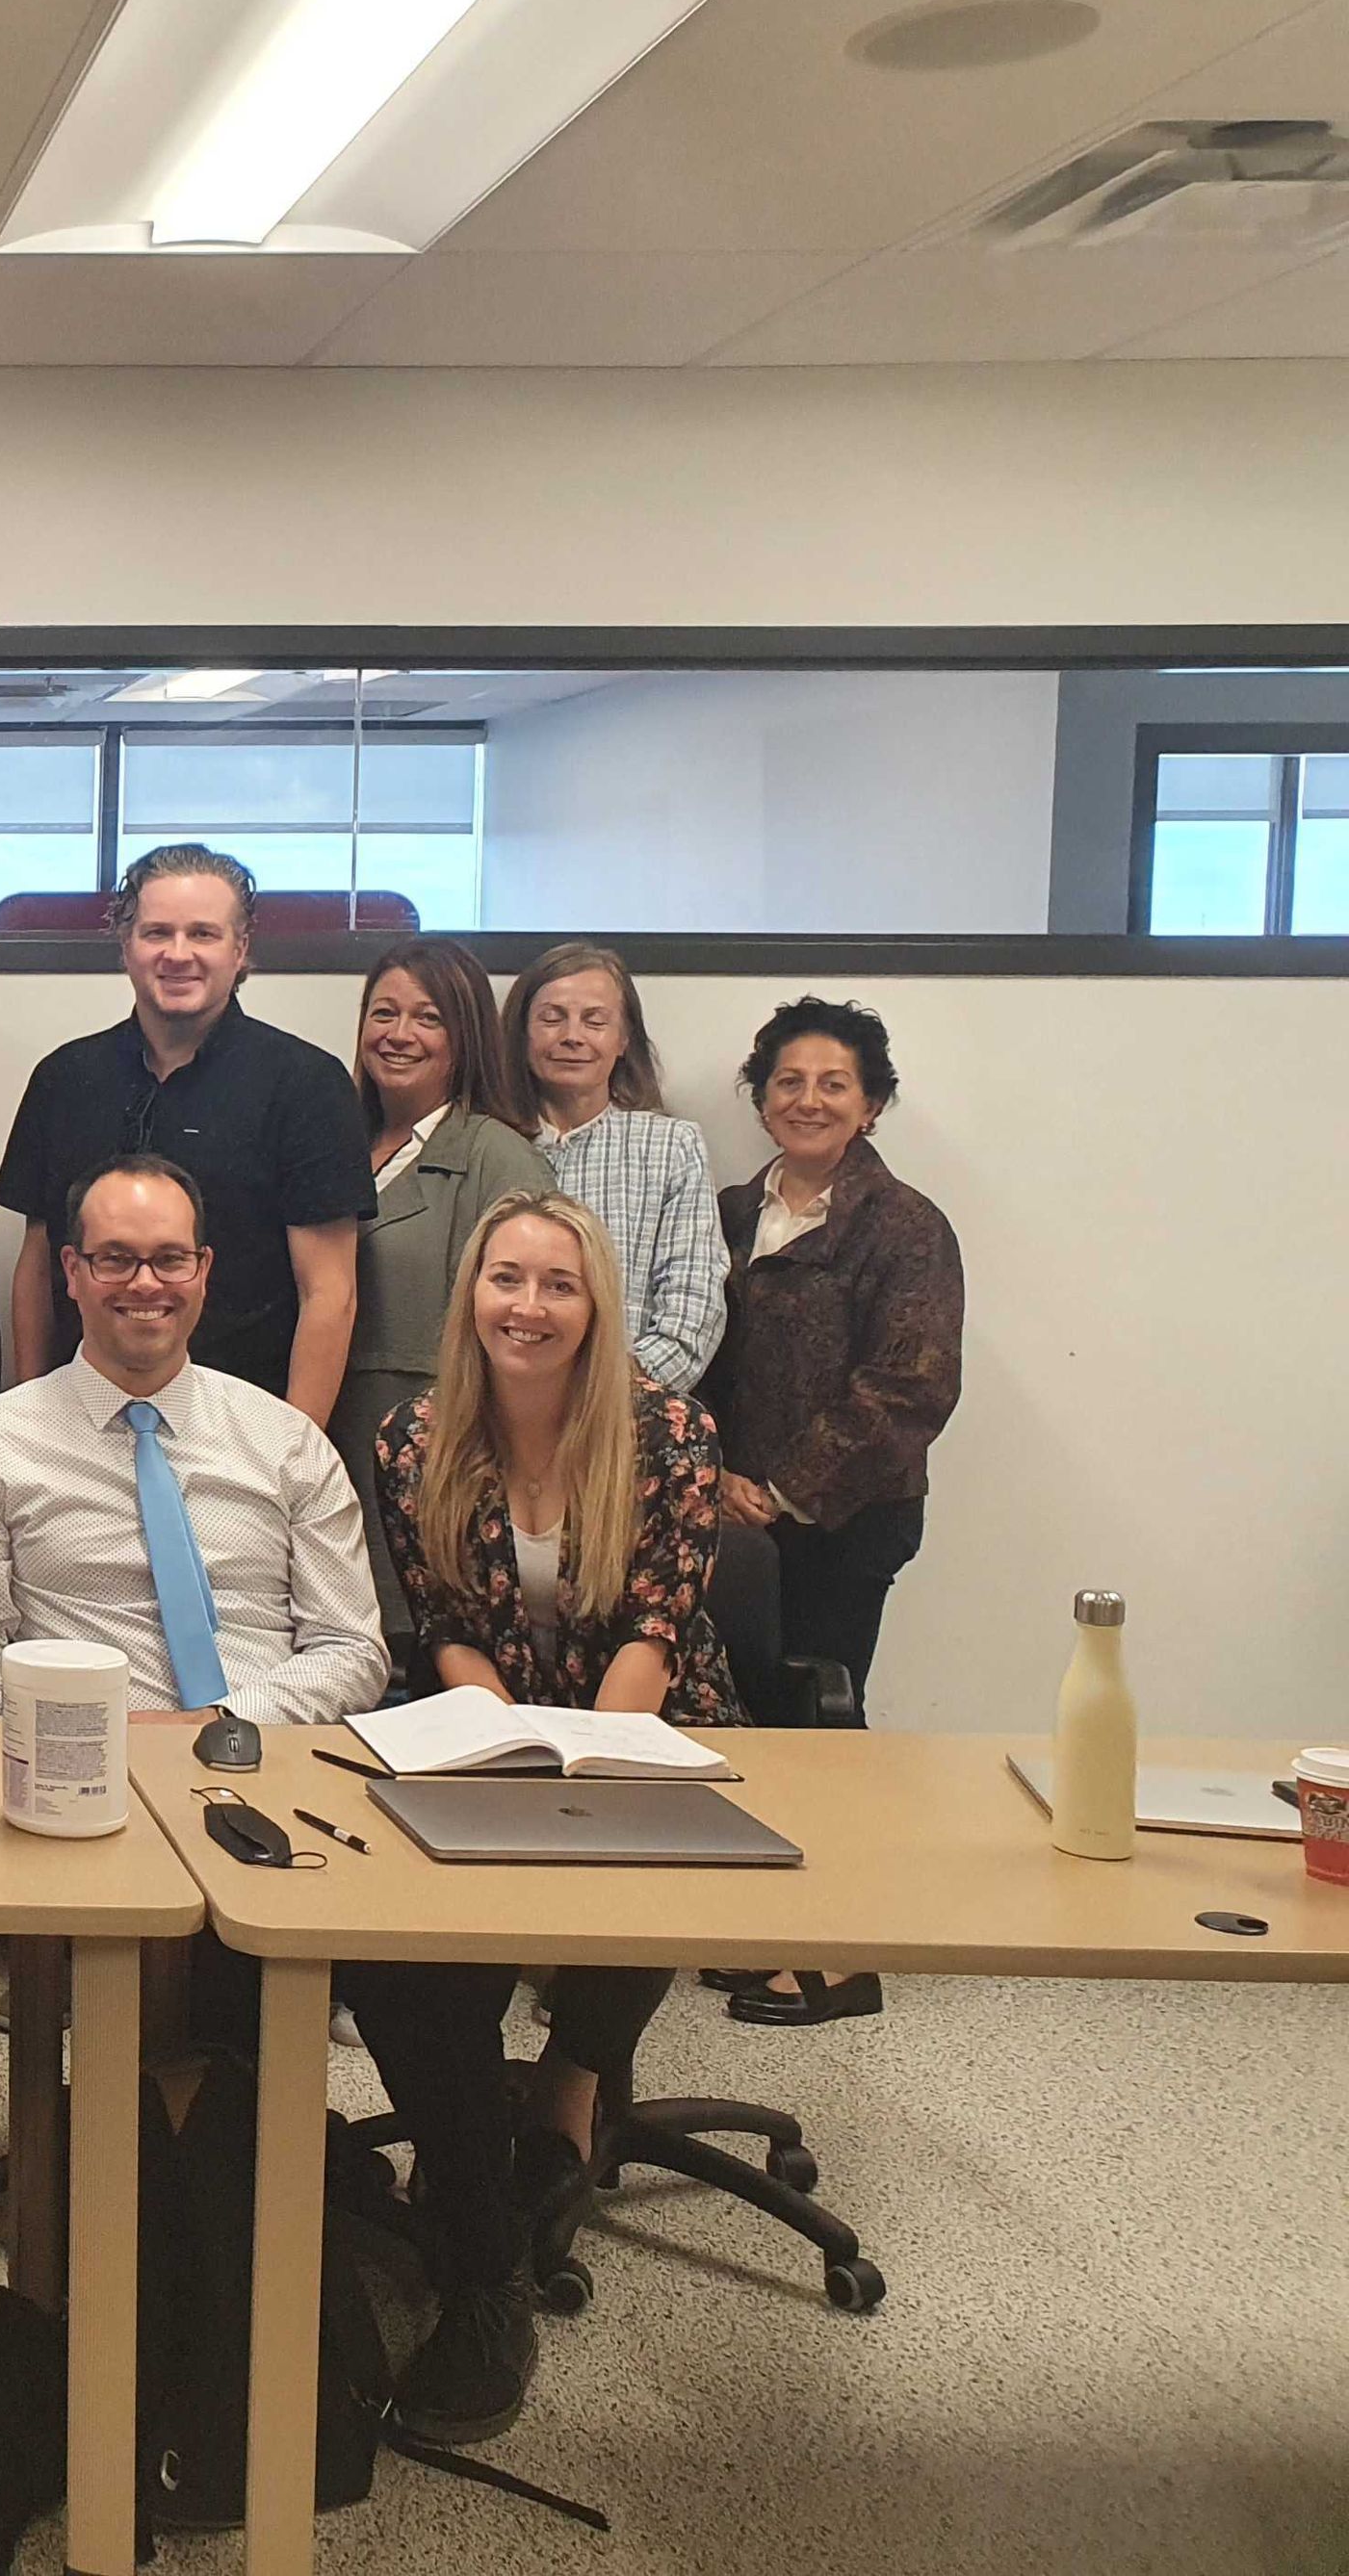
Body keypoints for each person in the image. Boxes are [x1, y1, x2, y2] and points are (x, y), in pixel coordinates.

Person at [352, 1189, 739, 2441]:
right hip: (485, 1722)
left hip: (651, 1721)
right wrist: (513, 1749)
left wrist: (592, 1768)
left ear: (595, 1304)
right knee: (397, 1953)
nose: (529, 1306)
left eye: (557, 1284)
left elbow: (653, 1630)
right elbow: (449, 1627)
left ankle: (572, 2079)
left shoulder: (672, 1432)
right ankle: (486, 2256)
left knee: (637, 1876)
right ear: (472, 1295)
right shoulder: (414, 1437)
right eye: (506, 1279)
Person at [703, 997, 964, 2029]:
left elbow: (909, 1389)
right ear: (762, 1100)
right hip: (723, 1521)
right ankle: (765, 1931)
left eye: (835, 1083)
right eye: (789, 1082)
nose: (808, 1100)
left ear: (873, 1105)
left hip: (843, 1523)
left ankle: (837, 1958)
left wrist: (782, 1490)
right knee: (747, 1725)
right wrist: (713, 1479)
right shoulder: (727, 1210)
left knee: (821, 1723)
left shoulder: (903, 1227)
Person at [0, 1153, 388, 1728]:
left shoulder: (287, 1442)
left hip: (266, 1754)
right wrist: (98, 1727)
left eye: (171, 1259)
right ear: (71, 1271)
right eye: (115, 1259)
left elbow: (351, 1648)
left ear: (204, 1269)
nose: (145, 1284)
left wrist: (224, 1721)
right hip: (67, 1764)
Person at [0, 844, 371, 1424]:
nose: (178, 954)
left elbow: (330, 1295)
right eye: (156, 933)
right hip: (78, 1427)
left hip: (247, 1431)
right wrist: (29, 1425)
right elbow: (37, 1270)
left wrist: (297, 1453)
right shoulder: (63, 1080)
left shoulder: (308, 1086)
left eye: (203, 934)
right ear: (125, 945)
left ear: (240, 949)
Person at [332, 937, 553, 1642]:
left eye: (427, 1018)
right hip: (324, 1439)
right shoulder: (335, 1139)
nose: (398, 1035)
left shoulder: (497, 1154)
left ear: (465, 1038)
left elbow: (532, 1330)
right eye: (383, 1013)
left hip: (439, 1462)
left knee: (420, 1654)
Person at [502, 942, 726, 1392]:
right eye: (552, 1017)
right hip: (498, 1413)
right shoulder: (485, 1142)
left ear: (623, 1039)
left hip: (629, 1414)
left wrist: (605, 1397)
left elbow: (693, 1305)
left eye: (594, 1020)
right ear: (521, 1033)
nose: (572, 1035)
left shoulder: (671, 1147)